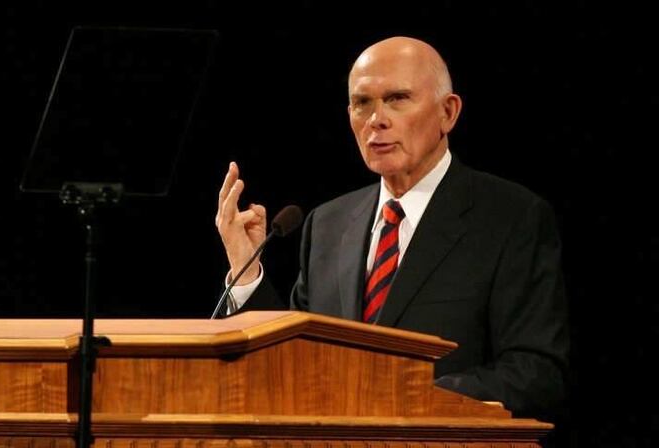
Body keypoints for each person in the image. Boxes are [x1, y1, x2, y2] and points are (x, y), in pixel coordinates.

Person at [214, 36, 569, 417]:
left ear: (448, 112)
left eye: (397, 98)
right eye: (362, 103)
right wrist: (246, 273)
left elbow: (535, 373)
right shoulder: (328, 224)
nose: (376, 119)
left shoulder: (510, 217)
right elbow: (293, 362)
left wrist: (406, 398)